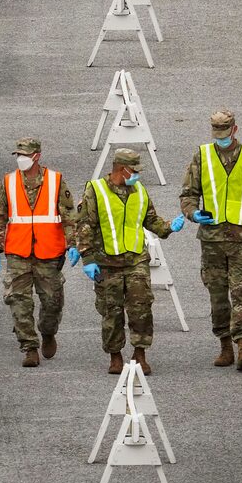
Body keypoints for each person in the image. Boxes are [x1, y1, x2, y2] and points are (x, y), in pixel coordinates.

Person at [179, 109, 242, 373]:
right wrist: (193, 214)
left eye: (225, 133)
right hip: (211, 238)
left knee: (240, 291)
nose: (221, 138)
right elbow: (188, 194)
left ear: (234, 130)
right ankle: (224, 344)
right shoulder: (201, 156)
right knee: (217, 295)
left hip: (240, 238)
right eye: (217, 134)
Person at [77, 147, 185, 376]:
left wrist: (167, 228)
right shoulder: (95, 191)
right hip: (107, 262)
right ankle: (115, 356)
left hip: (136, 259)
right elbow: (85, 224)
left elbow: (150, 219)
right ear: (121, 169)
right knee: (111, 310)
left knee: (141, 307)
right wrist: (86, 257)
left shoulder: (140, 191)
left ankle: (140, 354)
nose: (137, 175)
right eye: (134, 171)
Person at [0, 137, 79, 367]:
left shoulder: (55, 181)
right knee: (18, 301)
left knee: (52, 302)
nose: (20, 159)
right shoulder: (8, 182)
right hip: (18, 252)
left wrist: (74, 244)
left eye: (25, 155)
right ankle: (29, 347)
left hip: (49, 253)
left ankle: (48, 332)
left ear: (36, 156)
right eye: (18, 155)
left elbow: (69, 216)